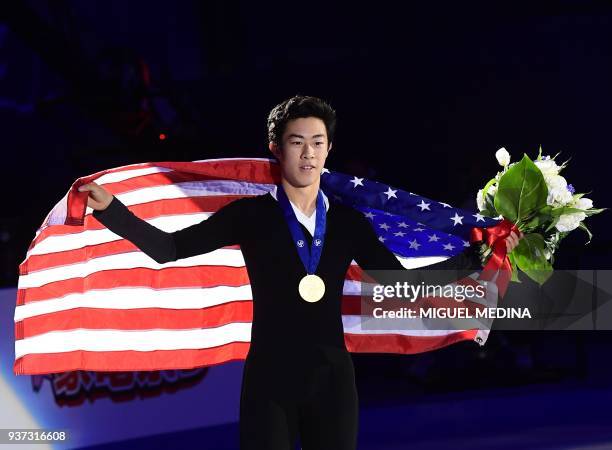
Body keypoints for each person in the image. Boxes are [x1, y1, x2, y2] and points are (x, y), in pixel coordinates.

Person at [78, 95, 523, 450]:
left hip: (332, 380)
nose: (307, 153)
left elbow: (400, 284)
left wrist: (475, 260)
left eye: (317, 142)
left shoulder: (348, 222)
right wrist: (113, 211)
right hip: (268, 381)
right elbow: (169, 248)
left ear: (329, 149)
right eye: (296, 142)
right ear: (276, 148)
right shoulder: (250, 216)